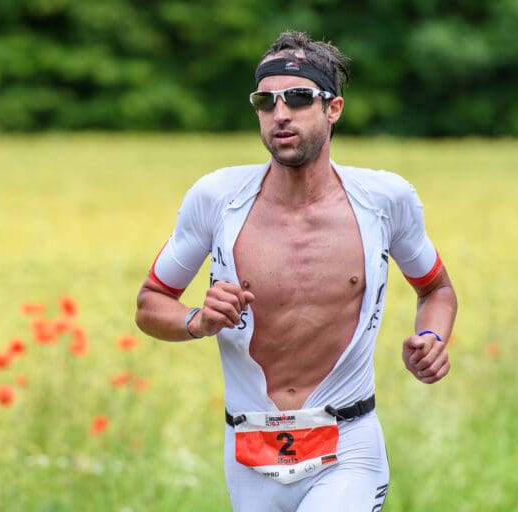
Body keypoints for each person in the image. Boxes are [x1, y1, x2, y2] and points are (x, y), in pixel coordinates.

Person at [135, 30, 457, 512]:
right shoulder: (216, 199)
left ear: (334, 109)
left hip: (348, 445)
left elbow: (437, 290)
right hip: (249, 450)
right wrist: (197, 321)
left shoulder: (386, 200)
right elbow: (149, 304)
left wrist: (430, 339)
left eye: (299, 98)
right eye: (265, 102)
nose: (280, 114)